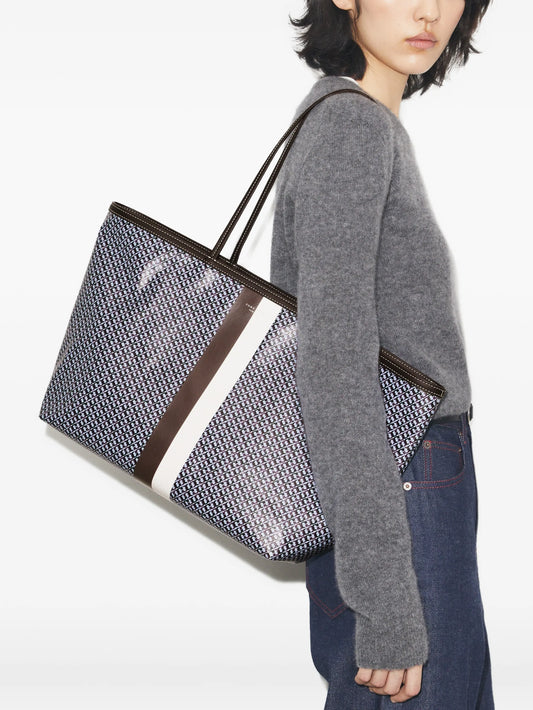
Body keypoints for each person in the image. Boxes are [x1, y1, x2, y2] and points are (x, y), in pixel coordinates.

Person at [269, 0, 495, 706]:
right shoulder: (352, 128)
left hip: (390, 493)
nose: (430, 11)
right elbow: (335, 367)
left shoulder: (351, 121)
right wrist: (386, 602)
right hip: (402, 493)